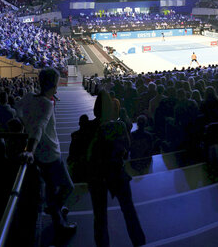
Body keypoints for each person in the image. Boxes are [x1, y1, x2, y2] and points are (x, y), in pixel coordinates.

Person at [20, 68, 77, 241]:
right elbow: (39, 127)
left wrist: (27, 127)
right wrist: (29, 149)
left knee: (52, 189)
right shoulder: (47, 103)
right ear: (53, 83)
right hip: (51, 154)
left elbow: (19, 110)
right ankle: (57, 217)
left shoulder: (29, 97)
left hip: (39, 154)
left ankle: (55, 210)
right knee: (68, 187)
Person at [87, 90, 146, 246]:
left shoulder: (89, 127)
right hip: (118, 174)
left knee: (100, 217)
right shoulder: (119, 126)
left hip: (96, 178)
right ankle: (139, 241)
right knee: (129, 211)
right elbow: (127, 148)